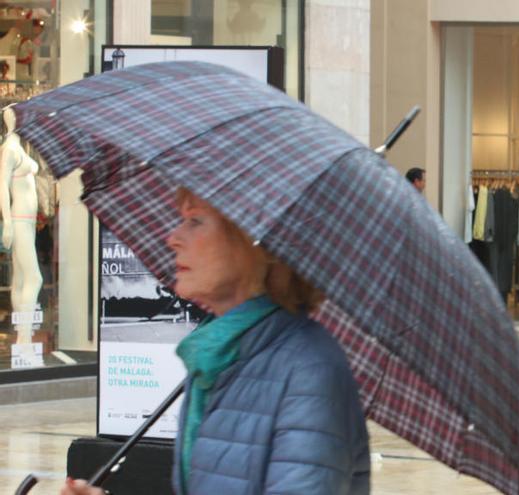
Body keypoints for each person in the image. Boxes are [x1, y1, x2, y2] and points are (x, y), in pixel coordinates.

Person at [62, 189, 370, 494]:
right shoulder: (217, 355)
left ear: (253, 239)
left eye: (195, 221)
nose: (173, 238)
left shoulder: (310, 370)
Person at [0, 107, 43, 348]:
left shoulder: (18, 148)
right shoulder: (10, 150)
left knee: (20, 278)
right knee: (34, 278)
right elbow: (2, 187)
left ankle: (21, 337)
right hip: (19, 219)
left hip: (25, 220)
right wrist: (7, 222)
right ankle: (24, 337)